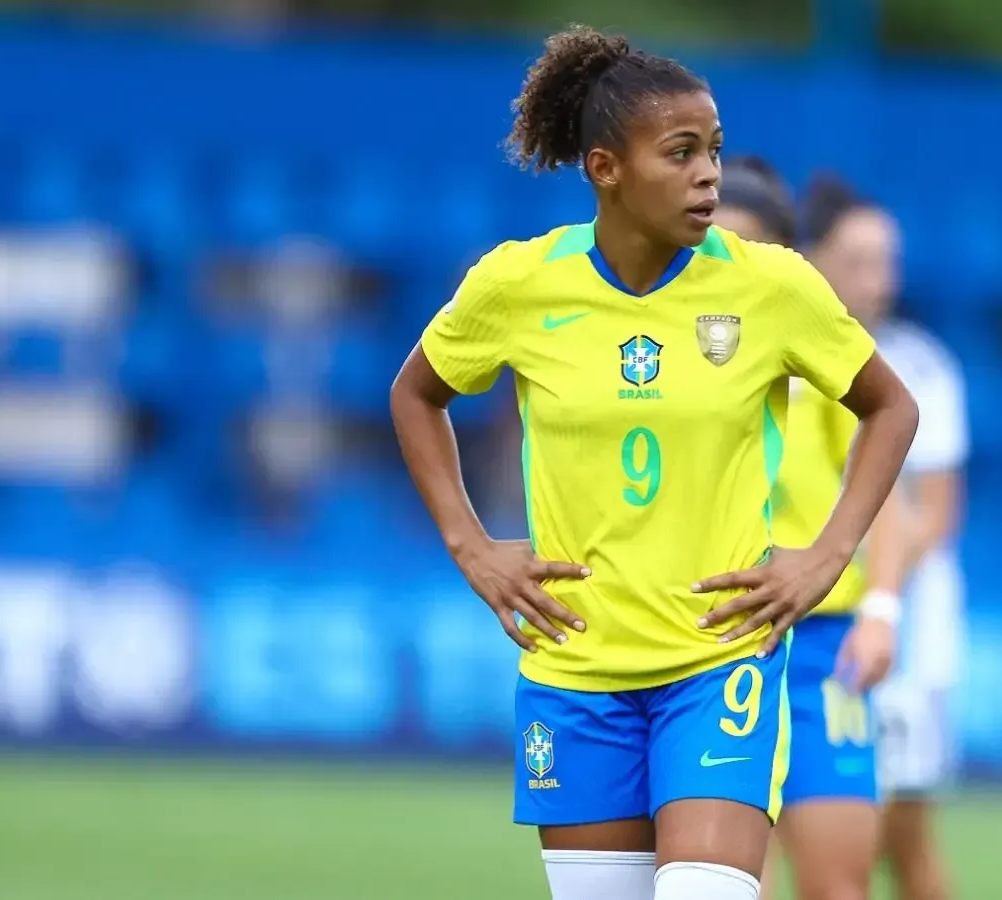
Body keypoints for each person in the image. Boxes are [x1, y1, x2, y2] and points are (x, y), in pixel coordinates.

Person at [388, 27, 920, 900]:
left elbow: (891, 406)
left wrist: (826, 558)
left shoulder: (772, 286)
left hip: (718, 661)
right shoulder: (519, 285)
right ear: (605, 168)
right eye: (681, 153)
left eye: (713, 149)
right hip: (575, 668)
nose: (709, 174)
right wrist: (470, 545)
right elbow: (416, 394)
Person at [715, 158, 898, 900]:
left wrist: (881, 609)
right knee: (728, 883)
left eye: (747, 246)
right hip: (718, 642)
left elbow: (884, 494)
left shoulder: (819, 355)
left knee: (838, 885)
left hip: (823, 647)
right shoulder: (653, 364)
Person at [799, 175, 970, 900]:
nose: (881, 280)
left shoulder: (921, 366)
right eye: (861, 261)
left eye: (887, 262)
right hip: (809, 625)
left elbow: (935, 513)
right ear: (811, 258)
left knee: (901, 835)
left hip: (900, 628)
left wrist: (868, 586)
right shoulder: (779, 355)